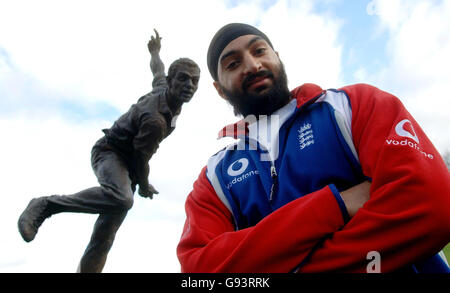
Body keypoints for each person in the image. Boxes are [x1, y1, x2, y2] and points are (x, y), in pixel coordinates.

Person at [176, 23, 450, 273]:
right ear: (220, 90)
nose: (252, 65)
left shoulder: (353, 105)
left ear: (277, 57)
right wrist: (337, 204)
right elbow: (200, 269)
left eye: (259, 50)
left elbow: (431, 204)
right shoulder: (215, 179)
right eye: (233, 64)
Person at [18, 30, 200, 273]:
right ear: (171, 81)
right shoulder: (155, 120)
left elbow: (157, 69)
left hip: (128, 168)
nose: (189, 86)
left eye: (194, 81)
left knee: (105, 236)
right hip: (110, 153)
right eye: (183, 79)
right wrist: (144, 185)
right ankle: (46, 204)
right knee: (122, 198)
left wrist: (155, 51)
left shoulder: (162, 90)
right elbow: (140, 157)